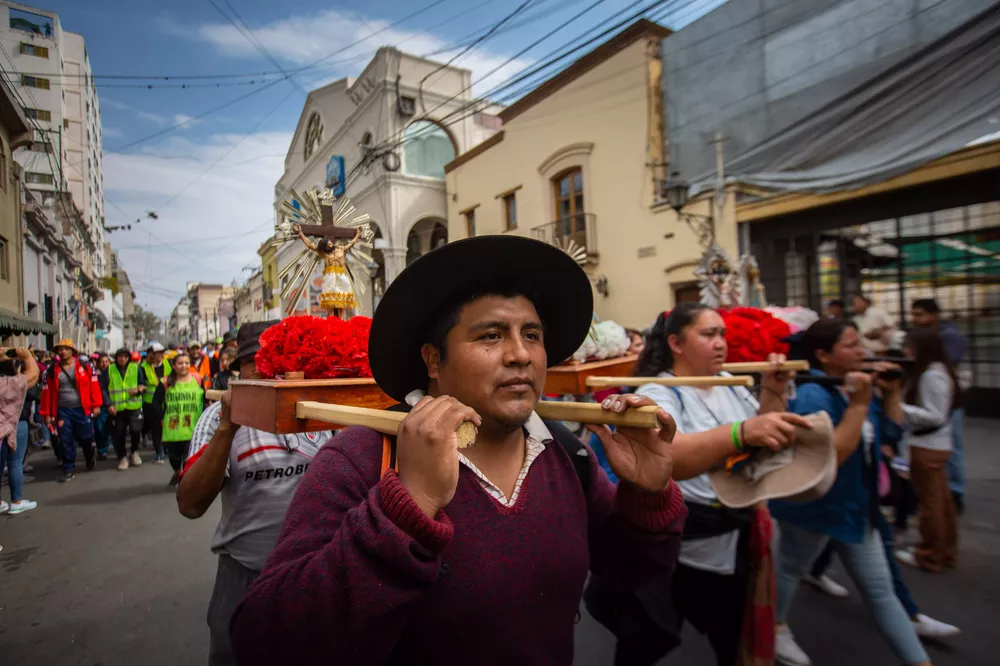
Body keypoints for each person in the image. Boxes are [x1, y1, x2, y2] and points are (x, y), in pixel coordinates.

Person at [229, 235, 686, 665]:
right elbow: (264, 642)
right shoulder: (363, 460)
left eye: (531, 335)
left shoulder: (565, 454)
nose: (520, 355)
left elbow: (630, 573)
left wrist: (648, 497)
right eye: (490, 336)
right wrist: (407, 512)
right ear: (433, 360)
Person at [598, 304, 809, 666]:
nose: (720, 343)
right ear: (677, 343)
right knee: (644, 642)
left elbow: (762, 433)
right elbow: (670, 460)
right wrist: (740, 433)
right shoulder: (660, 391)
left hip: (734, 542)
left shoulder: (730, 381)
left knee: (732, 643)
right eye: (708, 334)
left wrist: (773, 391)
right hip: (679, 550)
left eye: (722, 334)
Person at [769, 319, 931, 666]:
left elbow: (889, 436)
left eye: (861, 344)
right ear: (824, 355)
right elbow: (830, 457)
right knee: (789, 569)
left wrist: (891, 394)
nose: (863, 352)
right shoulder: (814, 393)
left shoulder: (853, 385)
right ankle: (776, 627)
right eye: (851, 345)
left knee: (880, 593)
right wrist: (858, 405)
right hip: (815, 506)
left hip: (856, 507)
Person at [177, 321, 334, 666]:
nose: (271, 371)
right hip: (243, 578)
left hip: (318, 574)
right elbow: (190, 504)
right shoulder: (216, 417)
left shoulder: (326, 413)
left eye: (283, 361)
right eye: (258, 362)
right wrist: (227, 428)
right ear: (241, 370)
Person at [895, 328, 959, 573]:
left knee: (931, 505)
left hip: (927, 446)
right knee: (940, 503)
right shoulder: (937, 372)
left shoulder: (932, 375)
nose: (906, 352)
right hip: (933, 445)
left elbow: (935, 415)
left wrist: (898, 406)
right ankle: (944, 551)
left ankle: (930, 553)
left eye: (909, 347)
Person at [910, 298, 967, 514]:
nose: (915, 319)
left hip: (948, 400)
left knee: (953, 447)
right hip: (930, 398)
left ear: (934, 315)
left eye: (920, 314)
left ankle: (955, 491)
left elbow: (949, 361)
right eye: (914, 314)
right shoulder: (919, 335)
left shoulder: (948, 338)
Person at [39, 339, 103, 482]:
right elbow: (46, 392)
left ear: (72, 351)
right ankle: (68, 468)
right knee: (65, 439)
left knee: (85, 437)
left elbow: (94, 385)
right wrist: (46, 413)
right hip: (63, 410)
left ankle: (89, 454)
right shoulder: (51, 370)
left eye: (66, 349)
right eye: (60, 349)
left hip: (82, 409)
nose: (63, 352)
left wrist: (96, 404)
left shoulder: (85, 366)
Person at [154, 352, 204, 488]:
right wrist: (161, 418)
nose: (184, 366)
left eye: (187, 363)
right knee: (174, 458)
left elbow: (205, 400)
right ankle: (178, 472)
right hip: (173, 428)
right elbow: (156, 403)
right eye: (180, 363)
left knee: (190, 457)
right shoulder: (165, 382)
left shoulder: (198, 379)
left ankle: (186, 480)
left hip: (193, 426)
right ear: (174, 366)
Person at [0, 347, 40, 516]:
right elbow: (33, 376)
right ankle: (16, 500)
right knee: (15, 463)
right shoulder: (8, 385)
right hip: (12, 426)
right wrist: (27, 356)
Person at [108, 348, 146, 471]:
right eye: (120, 356)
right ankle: (122, 457)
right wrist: (109, 404)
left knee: (136, 431)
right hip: (117, 408)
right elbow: (103, 388)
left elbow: (143, 384)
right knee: (119, 434)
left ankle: (134, 452)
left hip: (134, 406)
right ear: (116, 357)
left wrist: (138, 389)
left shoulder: (136, 368)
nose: (123, 359)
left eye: (125, 356)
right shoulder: (109, 370)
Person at [141, 342, 171, 464]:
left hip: (166, 399)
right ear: (151, 354)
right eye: (158, 353)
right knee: (155, 427)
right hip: (150, 402)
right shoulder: (144, 367)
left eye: (162, 353)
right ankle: (158, 451)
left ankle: (165, 447)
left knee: (165, 426)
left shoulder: (167, 364)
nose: (160, 355)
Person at [93, 353, 113, 460]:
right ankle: (102, 450)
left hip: (113, 404)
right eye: (102, 362)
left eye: (106, 362)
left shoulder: (113, 373)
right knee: (100, 429)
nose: (104, 364)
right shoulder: (94, 375)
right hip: (100, 405)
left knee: (114, 429)